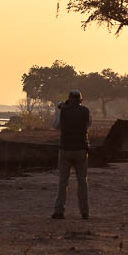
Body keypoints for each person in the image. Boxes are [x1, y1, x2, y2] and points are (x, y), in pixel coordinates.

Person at [52, 89, 92, 220]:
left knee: (63, 181)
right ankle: (84, 211)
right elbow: (89, 124)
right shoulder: (86, 111)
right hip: (81, 149)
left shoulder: (64, 110)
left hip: (65, 149)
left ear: (69, 100)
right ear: (81, 100)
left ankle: (59, 210)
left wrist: (60, 110)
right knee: (82, 182)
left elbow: (56, 125)